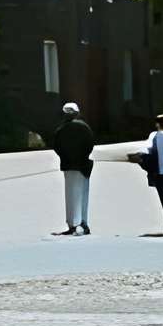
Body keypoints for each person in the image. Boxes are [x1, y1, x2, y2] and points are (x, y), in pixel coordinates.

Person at [51, 101, 98, 236]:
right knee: (81, 193)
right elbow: (90, 145)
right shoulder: (84, 128)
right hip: (82, 165)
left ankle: (73, 224)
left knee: (70, 194)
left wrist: (66, 157)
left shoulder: (61, 129)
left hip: (68, 165)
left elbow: (57, 146)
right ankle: (81, 223)